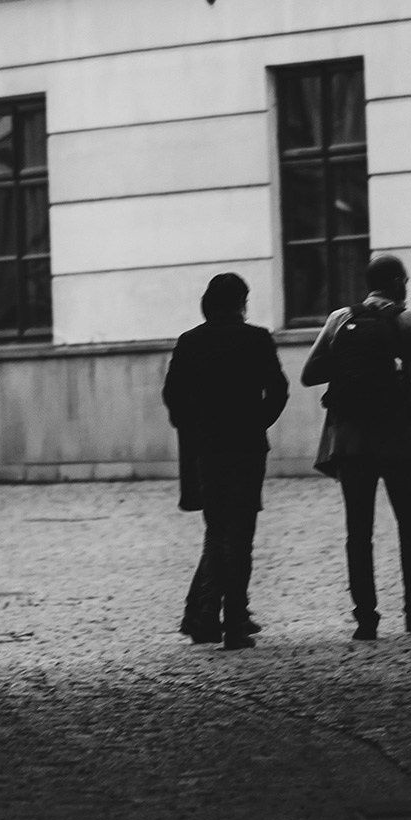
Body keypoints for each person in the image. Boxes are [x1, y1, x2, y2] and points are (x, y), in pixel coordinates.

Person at [300, 254, 411, 641]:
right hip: (398, 435)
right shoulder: (406, 319)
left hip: (350, 438)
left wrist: (350, 367)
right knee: (410, 524)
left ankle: (366, 618)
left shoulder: (339, 319)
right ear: (398, 282)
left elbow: (309, 373)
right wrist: (401, 364)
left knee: (358, 529)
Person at [162, 272, 289, 649]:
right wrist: (256, 421)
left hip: (209, 448)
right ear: (241, 302)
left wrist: (196, 427)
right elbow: (279, 390)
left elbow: (173, 396)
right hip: (247, 445)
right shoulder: (256, 338)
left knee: (217, 531)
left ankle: (204, 616)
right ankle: (233, 620)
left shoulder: (190, 342)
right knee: (242, 533)